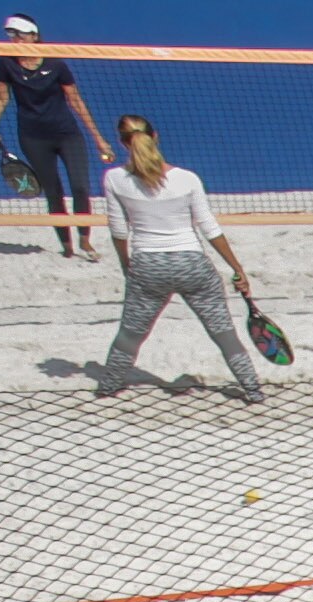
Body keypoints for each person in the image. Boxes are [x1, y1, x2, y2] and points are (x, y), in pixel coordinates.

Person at [96, 115, 261, 404]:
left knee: (131, 335)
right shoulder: (187, 178)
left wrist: (127, 266)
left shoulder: (115, 179)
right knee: (223, 333)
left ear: (123, 143)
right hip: (192, 263)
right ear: (155, 136)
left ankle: (108, 387)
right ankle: (252, 389)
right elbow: (210, 228)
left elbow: (119, 231)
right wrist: (237, 269)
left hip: (148, 265)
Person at [0, 17, 107, 262]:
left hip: (67, 134)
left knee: (80, 186)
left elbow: (75, 100)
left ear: (33, 35)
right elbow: (0, 97)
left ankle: (84, 238)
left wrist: (99, 139)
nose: (14, 39)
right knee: (53, 191)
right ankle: (66, 244)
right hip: (33, 137)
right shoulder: (7, 63)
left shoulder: (54, 61)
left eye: (19, 34)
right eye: (11, 35)